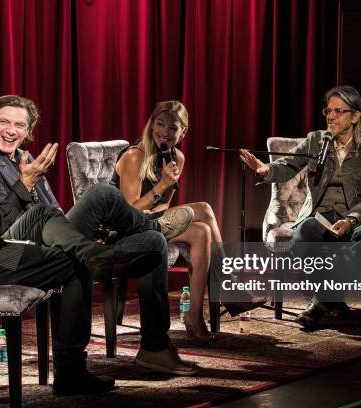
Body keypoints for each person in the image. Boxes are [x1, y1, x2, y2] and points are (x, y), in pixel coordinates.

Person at [0, 85, 179, 397]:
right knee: (73, 260)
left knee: (45, 215)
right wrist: (22, 183)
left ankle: (96, 254)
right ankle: (71, 370)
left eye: (20, 125)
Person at [0, 95, 199, 376]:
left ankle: (154, 348)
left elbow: (52, 209)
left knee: (153, 244)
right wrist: (27, 187)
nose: (11, 130)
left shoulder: (25, 158)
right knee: (103, 194)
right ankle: (151, 224)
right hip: (22, 243)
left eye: (19, 125)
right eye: (3, 122)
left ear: (28, 129)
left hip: (54, 233)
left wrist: (76, 237)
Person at [239, 85, 361, 329]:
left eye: (338, 111)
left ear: (355, 116)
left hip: (357, 219)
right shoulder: (316, 141)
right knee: (302, 236)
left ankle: (321, 303)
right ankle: (334, 299)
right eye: (328, 110)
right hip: (320, 216)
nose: (331, 116)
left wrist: (351, 220)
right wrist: (265, 170)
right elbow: (288, 164)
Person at [112, 101, 262, 343]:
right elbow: (128, 211)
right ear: (151, 125)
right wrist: (161, 184)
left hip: (151, 221)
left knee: (202, 231)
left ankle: (195, 316)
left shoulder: (176, 157)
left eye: (173, 128)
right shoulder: (134, 155)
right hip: (125, 228)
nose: (164, 132)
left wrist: (158, 205)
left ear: (184, 133)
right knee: (203, 209)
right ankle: (228, 284)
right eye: (159, 124)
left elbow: (164, 206)